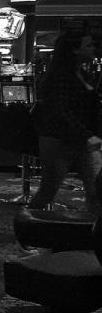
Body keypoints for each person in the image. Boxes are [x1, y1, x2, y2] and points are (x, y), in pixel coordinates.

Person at [28, 33, 102, 213]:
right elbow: (61, 111)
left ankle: (93, 233)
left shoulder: (82, 73)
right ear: (75, 50)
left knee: (95, 190)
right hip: (58, 140)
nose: (93, 49)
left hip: (79, 139)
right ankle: (27, 224)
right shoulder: (61, 76)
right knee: (48, 190)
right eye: (88, 45)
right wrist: (88, 135)